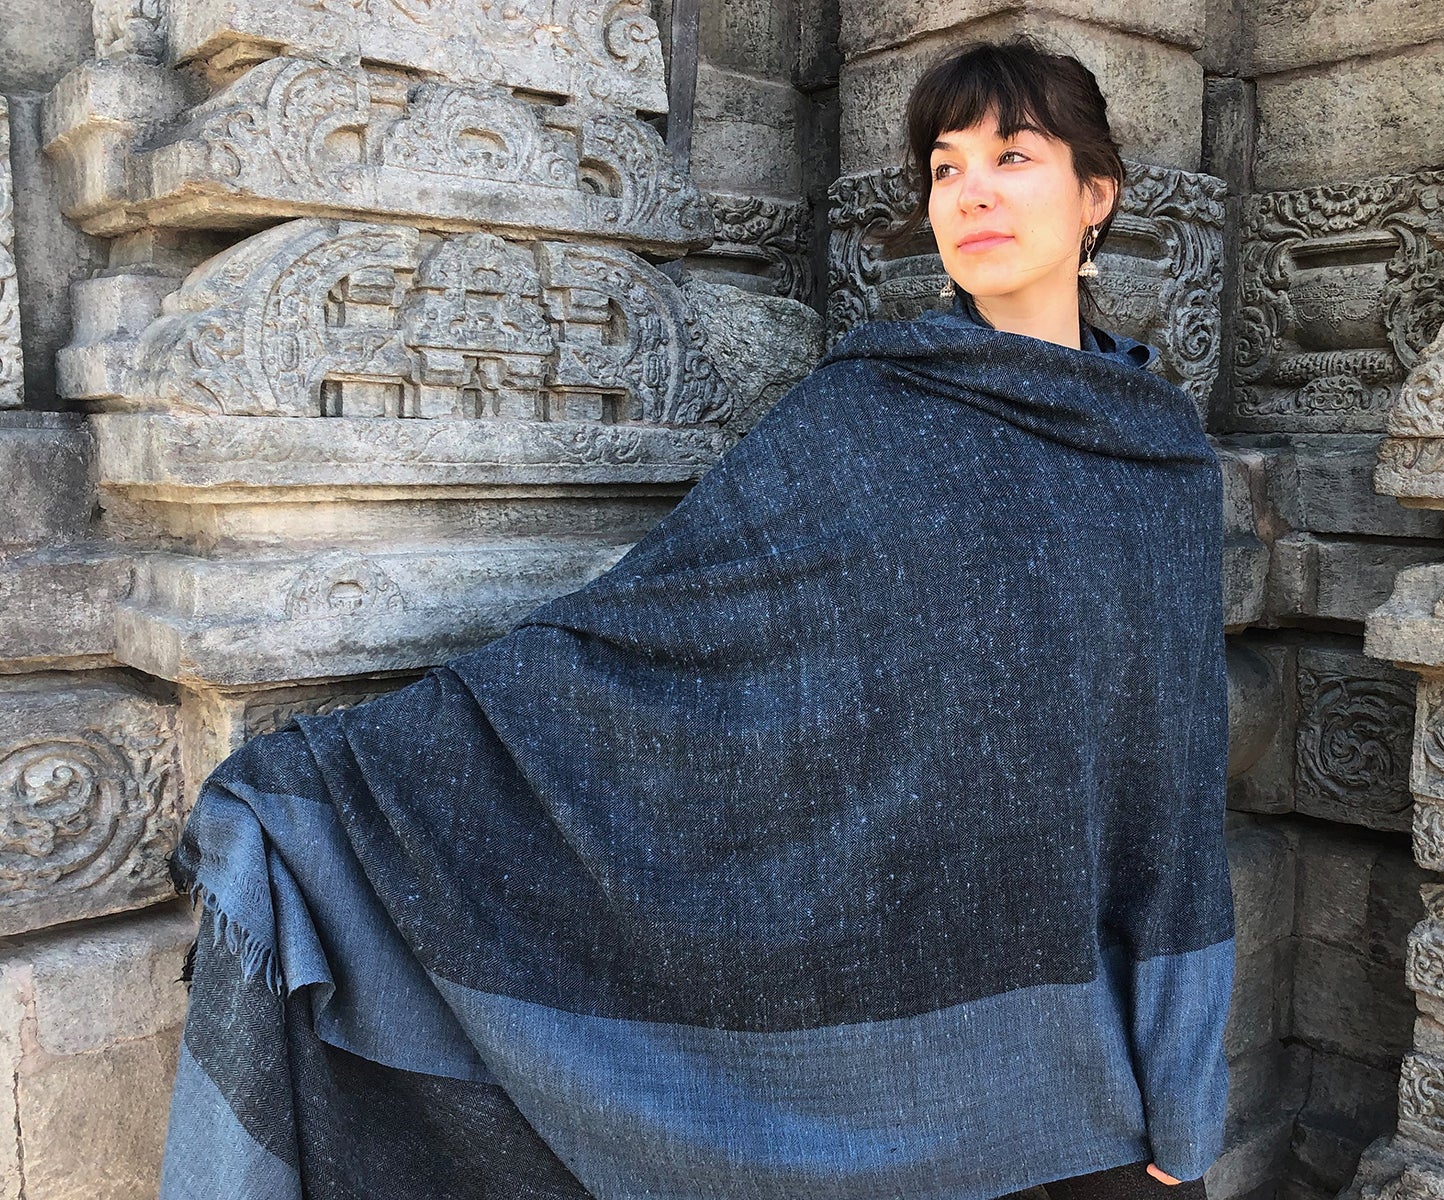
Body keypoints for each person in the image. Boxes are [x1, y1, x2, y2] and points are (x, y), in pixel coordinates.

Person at [158, 35, 1234, 1200]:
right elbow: (643, 640)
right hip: (859, 1049)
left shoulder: (1156, 462)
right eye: (941, 165)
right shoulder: (862, 419)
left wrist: (1182, 1096)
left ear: (1096, 195)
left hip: (1072, 1094)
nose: (969, 190)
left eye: (1012, 155)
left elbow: (1168, 805)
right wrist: (336, 794)